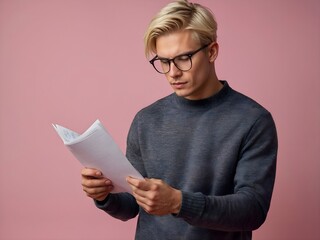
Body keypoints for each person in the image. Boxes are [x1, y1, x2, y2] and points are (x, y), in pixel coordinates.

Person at [81, 0, 278, 239]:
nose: (173, 72)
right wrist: (104, 196)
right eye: (164, 61)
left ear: (212, 51)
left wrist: (177, 202)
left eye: (183, 58)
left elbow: (253, 210)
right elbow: (131, 206)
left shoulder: (253, 120)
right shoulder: (146, 120)